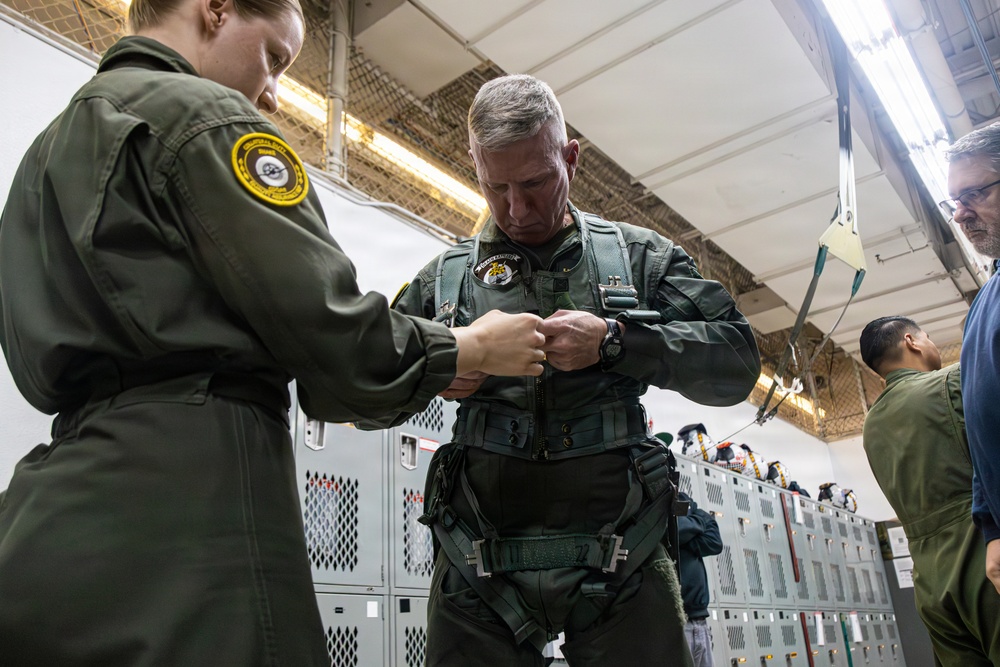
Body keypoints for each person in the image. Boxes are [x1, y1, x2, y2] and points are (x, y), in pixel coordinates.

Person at [0, 0, 549, 663]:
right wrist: (469, 346)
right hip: (196, 514)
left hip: (47, 525)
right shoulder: (204, 120)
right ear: (217, 9)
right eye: (274, 57)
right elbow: (332, 338)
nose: (272, 93)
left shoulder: (44, 155)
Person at [363, 74, 761, 666]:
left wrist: (617, 341)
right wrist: (440, 363)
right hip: (479, 562)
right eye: (494, 187)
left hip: (623, 554)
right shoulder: (443, 281)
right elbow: (358, 394)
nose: (516, 209)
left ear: (570, 158)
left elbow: (736, 362)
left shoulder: (639, 257)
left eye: (535, 181)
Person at [859, 316, 1000, 663]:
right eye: (929, 337)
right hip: (980, 555)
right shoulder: (952, 381)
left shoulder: (870, 426)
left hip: (929, 583)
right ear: (912, 341)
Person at [943, 124, 1000, 599]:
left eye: (974, 193)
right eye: (954, 202)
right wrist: (992, 528)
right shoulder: (985, 303)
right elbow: (981, 434)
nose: (960, 214)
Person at [676, 491, 722, 667]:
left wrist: (689, 534)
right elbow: (673, 530)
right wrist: (699, 523)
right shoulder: (652, 503)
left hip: (700, 623)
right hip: (679, 625)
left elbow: (715, 542)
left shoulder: (681, 497)